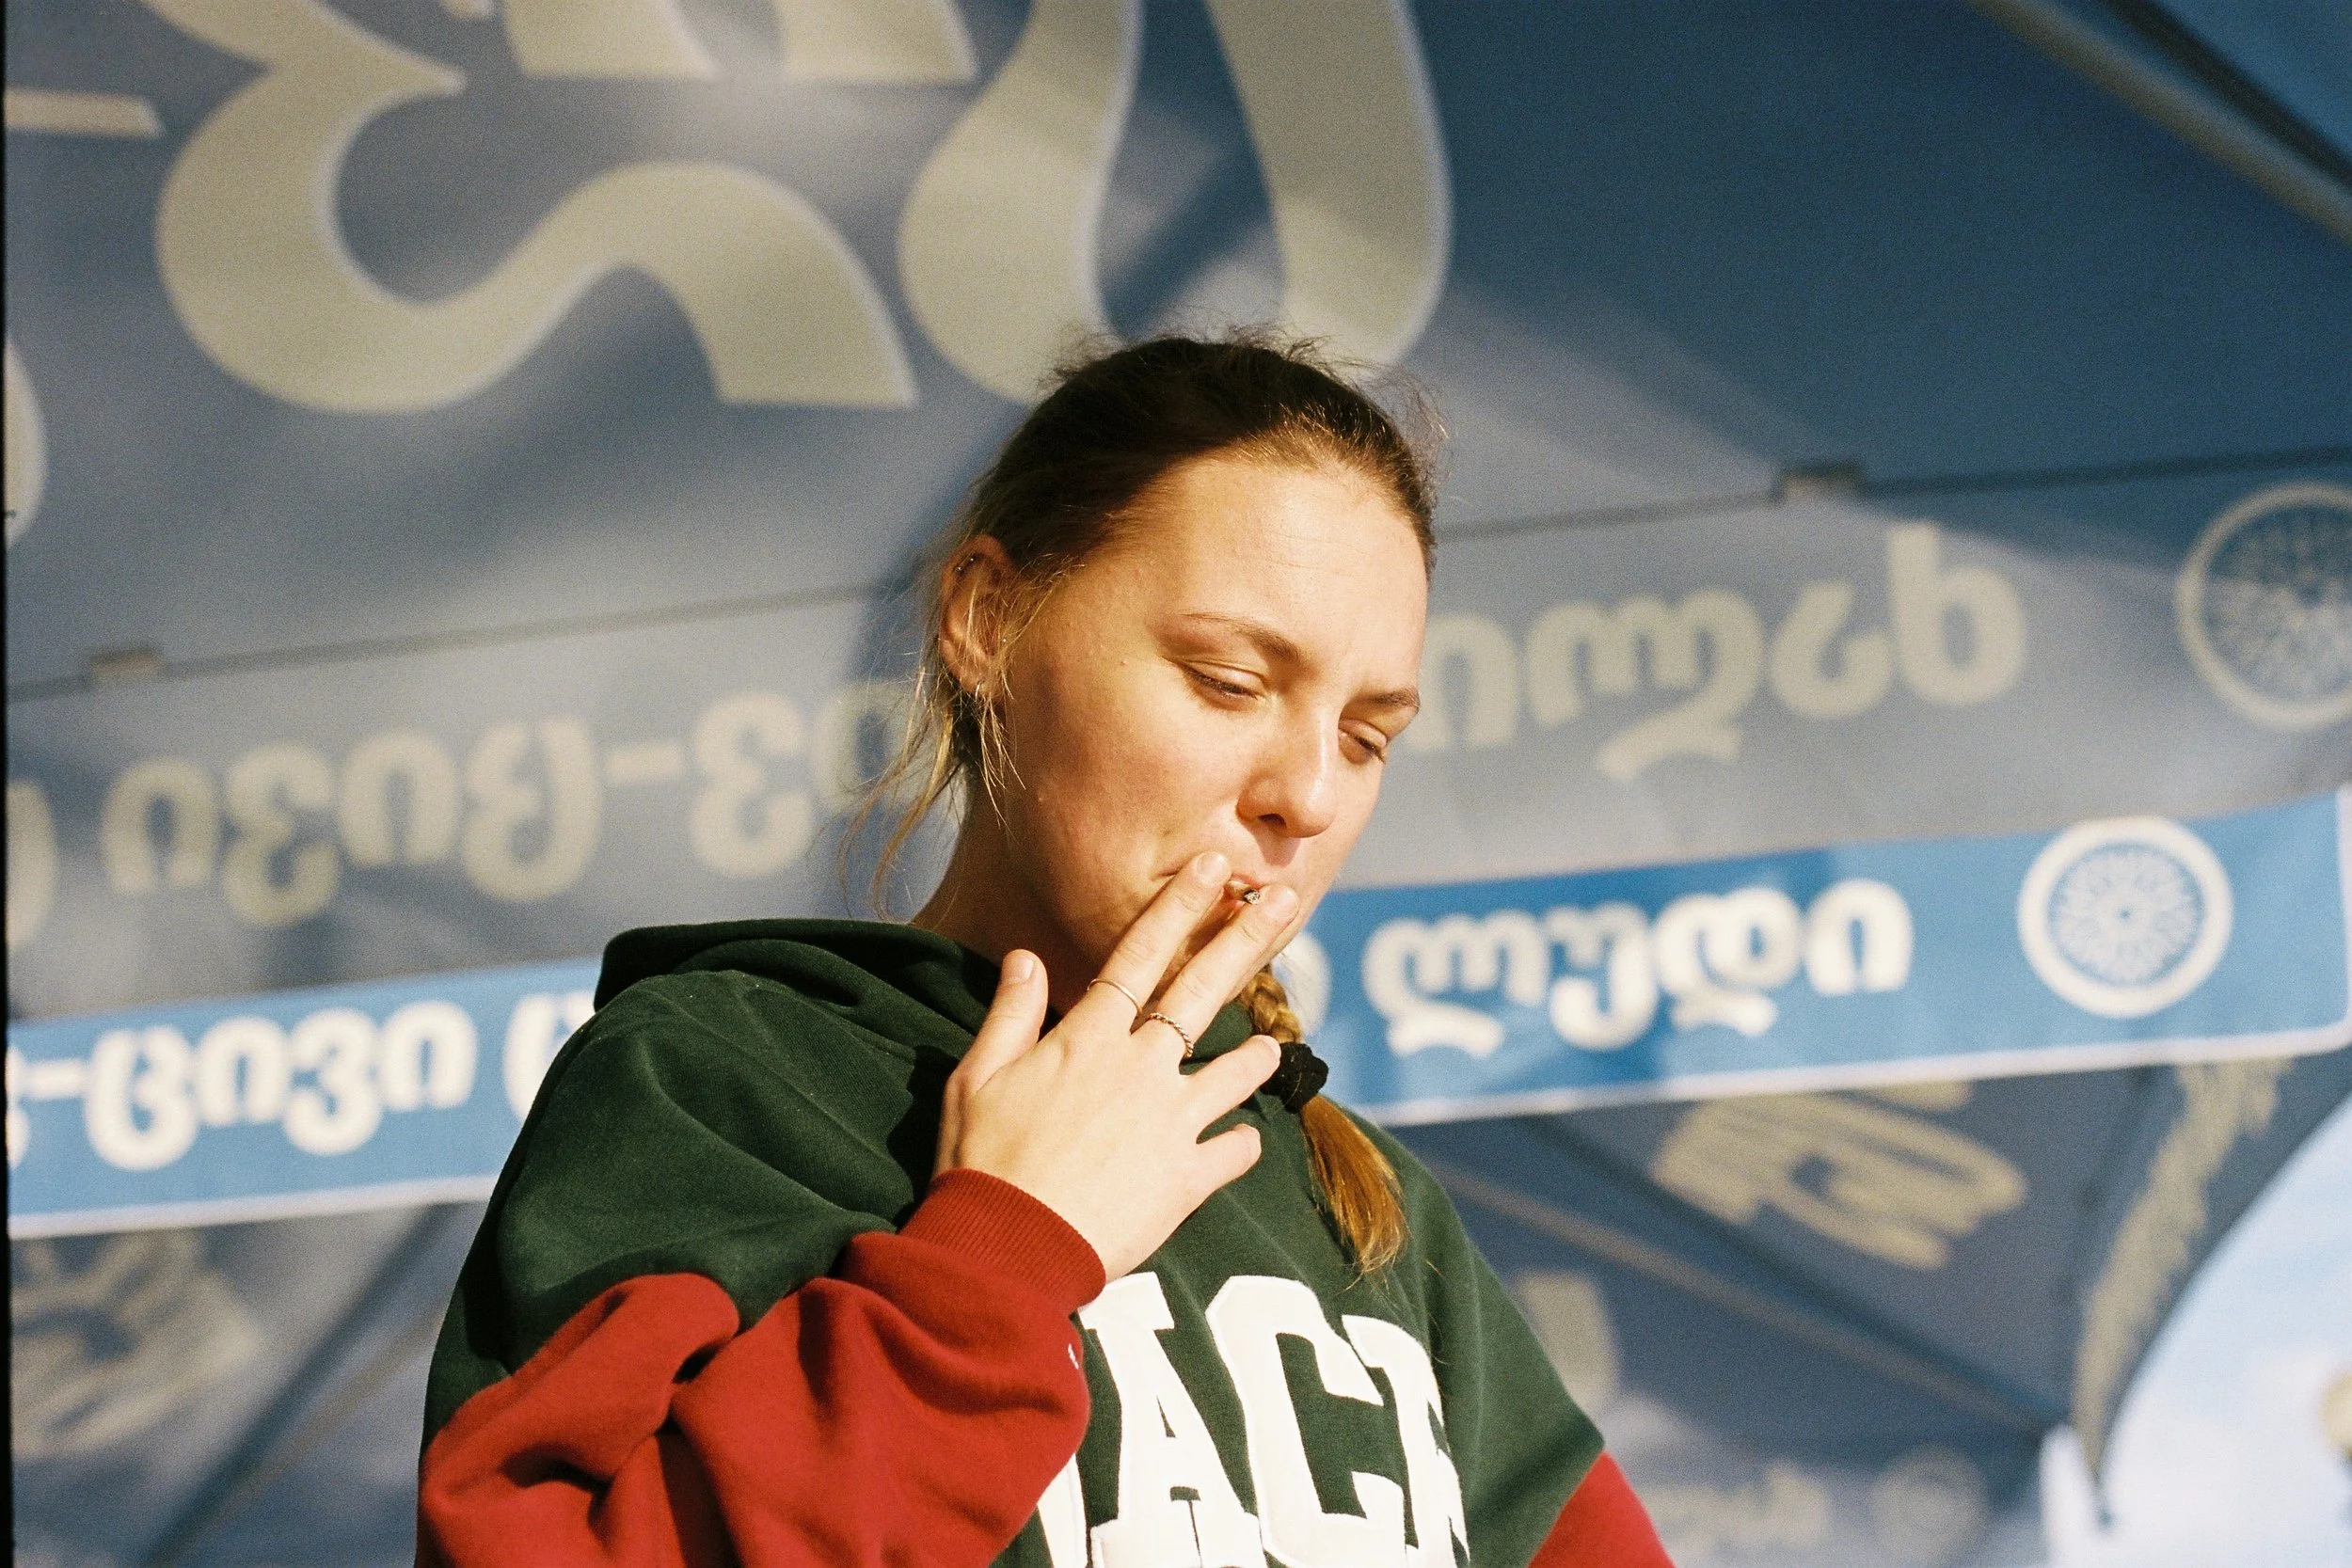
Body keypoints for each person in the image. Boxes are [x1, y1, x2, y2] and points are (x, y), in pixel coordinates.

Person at [417, 335, 1670, 1567]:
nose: (1307, 791)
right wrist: (998, 1258)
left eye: (1367, 735)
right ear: (987, 616)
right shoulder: (723, 1080)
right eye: (1230, 679)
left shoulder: (1373, 1214)